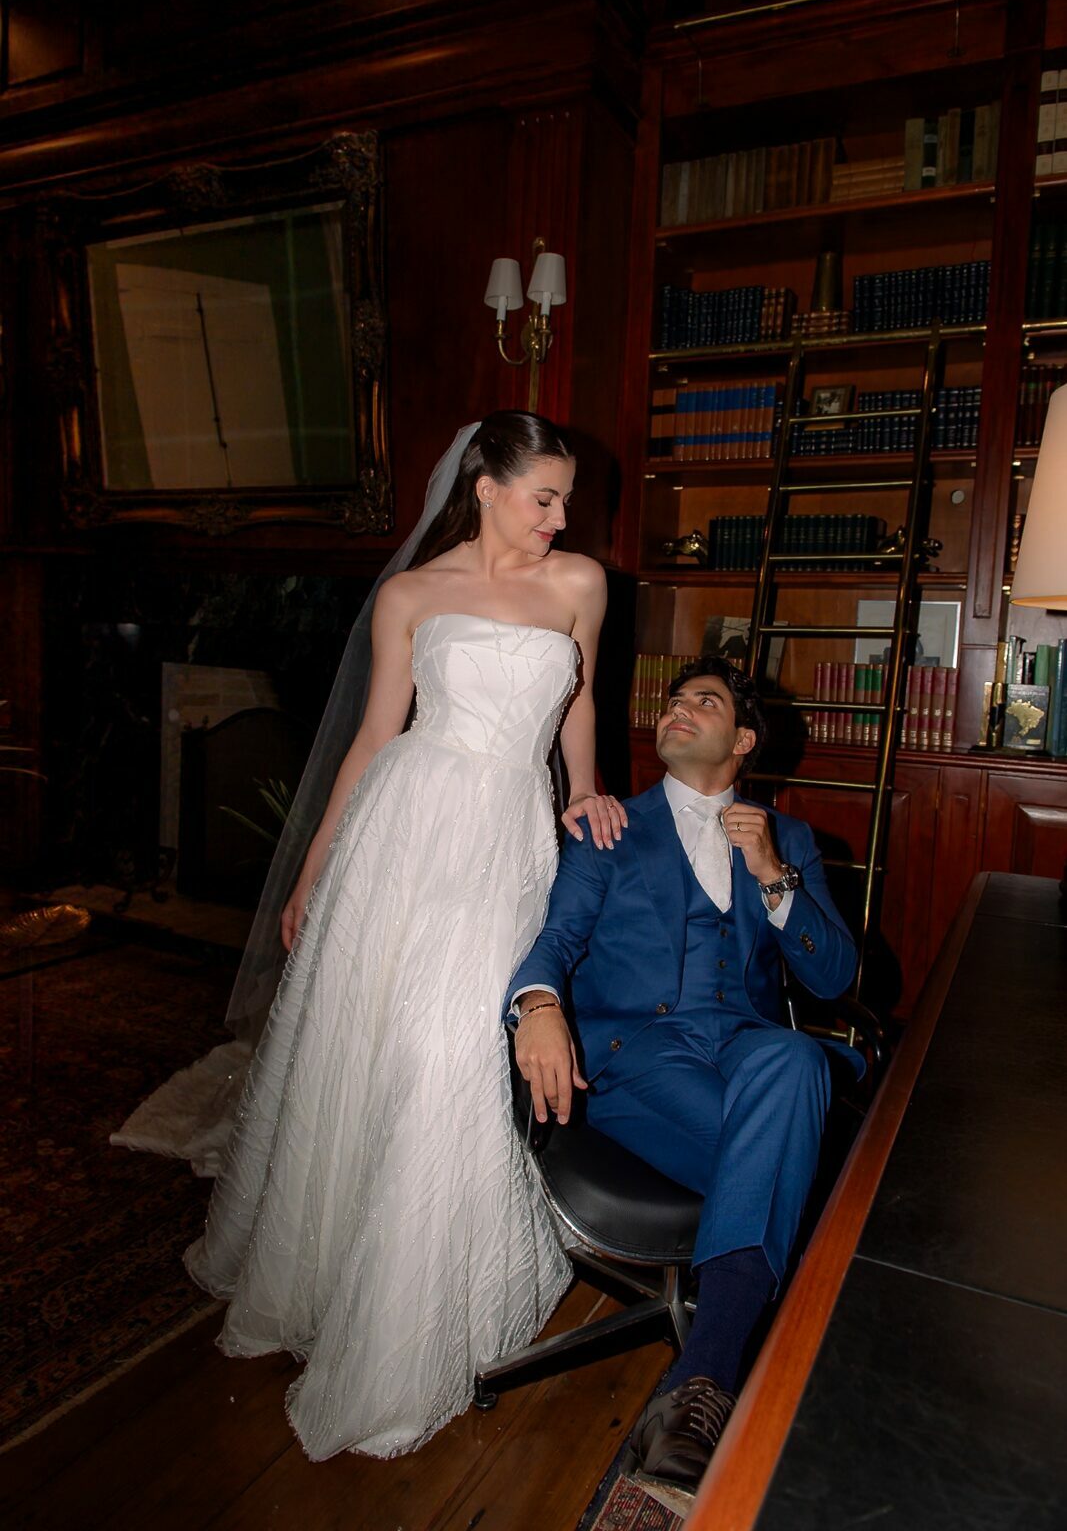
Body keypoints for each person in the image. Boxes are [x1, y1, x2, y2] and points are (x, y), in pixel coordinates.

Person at [183, 411, 627, 1461]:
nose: (560, 519)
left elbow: (576, 703)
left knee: (450, 1053)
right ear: (485, 488)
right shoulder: (410, 596)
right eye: (543, 498)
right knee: (371, 1046)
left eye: (566, 500)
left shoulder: (579, 584)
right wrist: (313, 869)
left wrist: (586, 789)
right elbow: (375, 736)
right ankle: (347, 1284)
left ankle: (432, 1303)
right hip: (402, 832)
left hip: (505, 836)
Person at [506, 654, 857, 1491]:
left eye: (705, 701)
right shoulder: (609, 827)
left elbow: (834, 978)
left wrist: (773, 877)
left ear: (742, 741)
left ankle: (698, 1382)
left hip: (746, 1049)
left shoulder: (788, 840)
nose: (678, 708)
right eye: (673, 699)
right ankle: (723, 1371)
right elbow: (555, 941)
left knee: (793, 1054)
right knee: (814, 1165)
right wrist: (537, 1003)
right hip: (636, 1059)